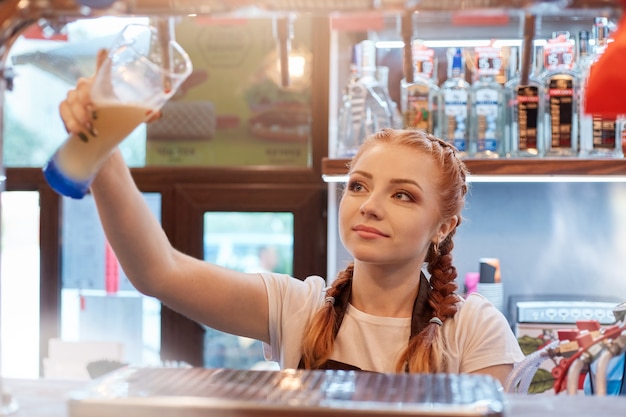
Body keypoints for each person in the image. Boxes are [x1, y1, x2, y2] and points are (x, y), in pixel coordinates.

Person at [58, 54, 524, 384]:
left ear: (443, 226)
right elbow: (160, 271)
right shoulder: (297, 308)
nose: (369, 205)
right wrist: (103, 151)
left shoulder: (473, 329)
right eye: (358, 185)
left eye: (402, 195)